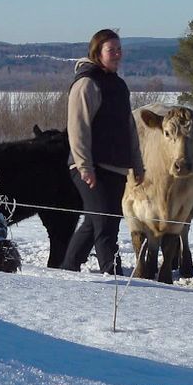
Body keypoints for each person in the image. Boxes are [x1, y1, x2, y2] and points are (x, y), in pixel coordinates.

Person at [60, 29, 144, 274]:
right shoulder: (87, 83)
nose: (117, 54)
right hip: (90, 166)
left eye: (119, 49)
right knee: (106, 223)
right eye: (111, 50)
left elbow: (129, 128)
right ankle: (114, 276)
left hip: (115, 167)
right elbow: (78, 127)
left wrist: (137, 165)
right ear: (97, 52)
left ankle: (68, 269)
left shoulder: (118, 85)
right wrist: (84, 166)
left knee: (94, 221)